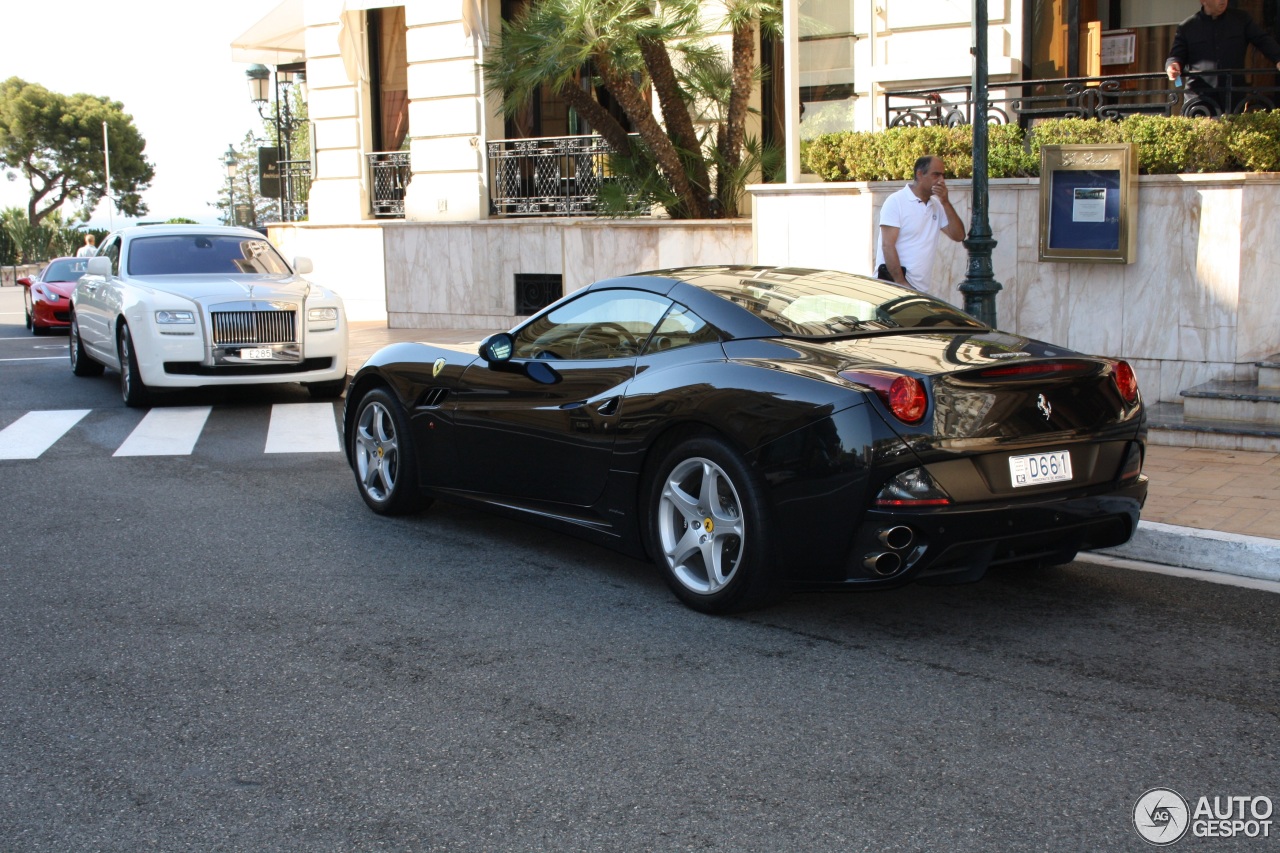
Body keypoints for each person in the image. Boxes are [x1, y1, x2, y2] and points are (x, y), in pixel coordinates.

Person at [1165, 0, 1280, 116]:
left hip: (1232, 95)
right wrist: (1173, 65)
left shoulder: (1241, 19)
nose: (1222, 0)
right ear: (1203, 1)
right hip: (1200, 98)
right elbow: (1176, 56)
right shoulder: (1187, 27)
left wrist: (1278, 58)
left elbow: (1263, 40)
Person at [874, 155, 965, 294]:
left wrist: (945, 202)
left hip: (920, 290)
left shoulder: (937, 206)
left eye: (943, 175)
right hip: (892, 287)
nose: (941, 180)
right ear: (920, 174)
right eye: (936, 175)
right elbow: (887, 245)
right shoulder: (896, 201)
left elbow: (958, 235)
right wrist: (901, 283)